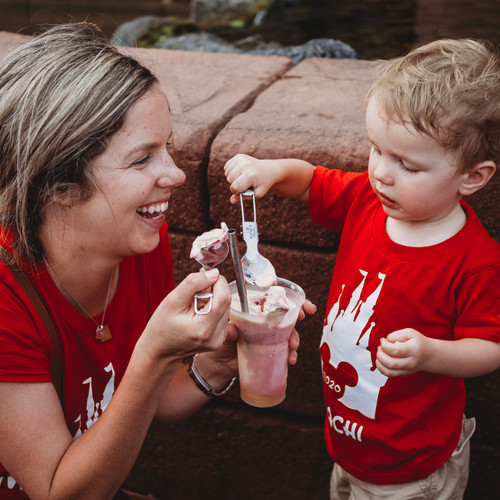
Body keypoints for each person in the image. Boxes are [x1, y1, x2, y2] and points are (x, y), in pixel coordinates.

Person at [0, 23, 313, 499]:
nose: (177, 173)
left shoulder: (136, 240)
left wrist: (218, 364)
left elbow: (151, 400)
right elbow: (61, 492)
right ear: (58, 187)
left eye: (166, 146)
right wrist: (155, 351)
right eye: (142, 158)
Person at [224, 38, 500, 499]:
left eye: (407, 165)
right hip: (350, 440)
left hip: (412, 467)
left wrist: (432, 354)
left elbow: (490, 346)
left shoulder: (475, 261)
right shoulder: (366, 202)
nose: (382, 173)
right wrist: (270, 169)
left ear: (472, 177)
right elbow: (312, 181)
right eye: (376, 150)